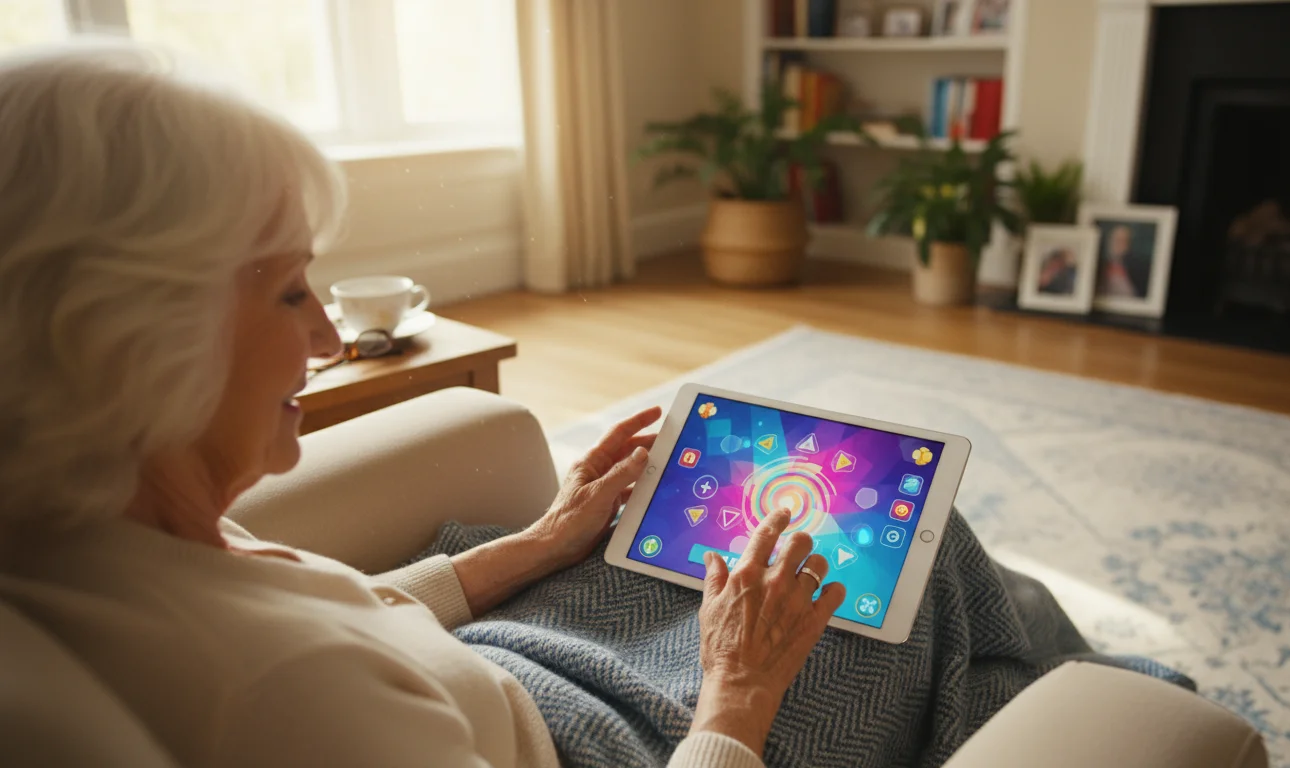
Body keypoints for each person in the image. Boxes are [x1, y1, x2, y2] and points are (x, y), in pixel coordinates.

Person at [0, 44, 1129, 768]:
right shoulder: (283, 700)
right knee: (911, 564)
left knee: (705, 539)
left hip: (508, 663)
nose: (329, 339)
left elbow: (332, 623)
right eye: (293, 288)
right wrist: (736, 698)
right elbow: (311, 665)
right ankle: (1102, 708)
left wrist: (537, 544)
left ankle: (1033, 680)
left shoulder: (87, 525)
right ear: (131, 339)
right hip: (632, 741)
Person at [1096, 224, 1151, 299]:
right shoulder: (1099, 265)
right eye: (1116, 240)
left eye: (1123, 241)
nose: (1118, 244)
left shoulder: (1139, 268)